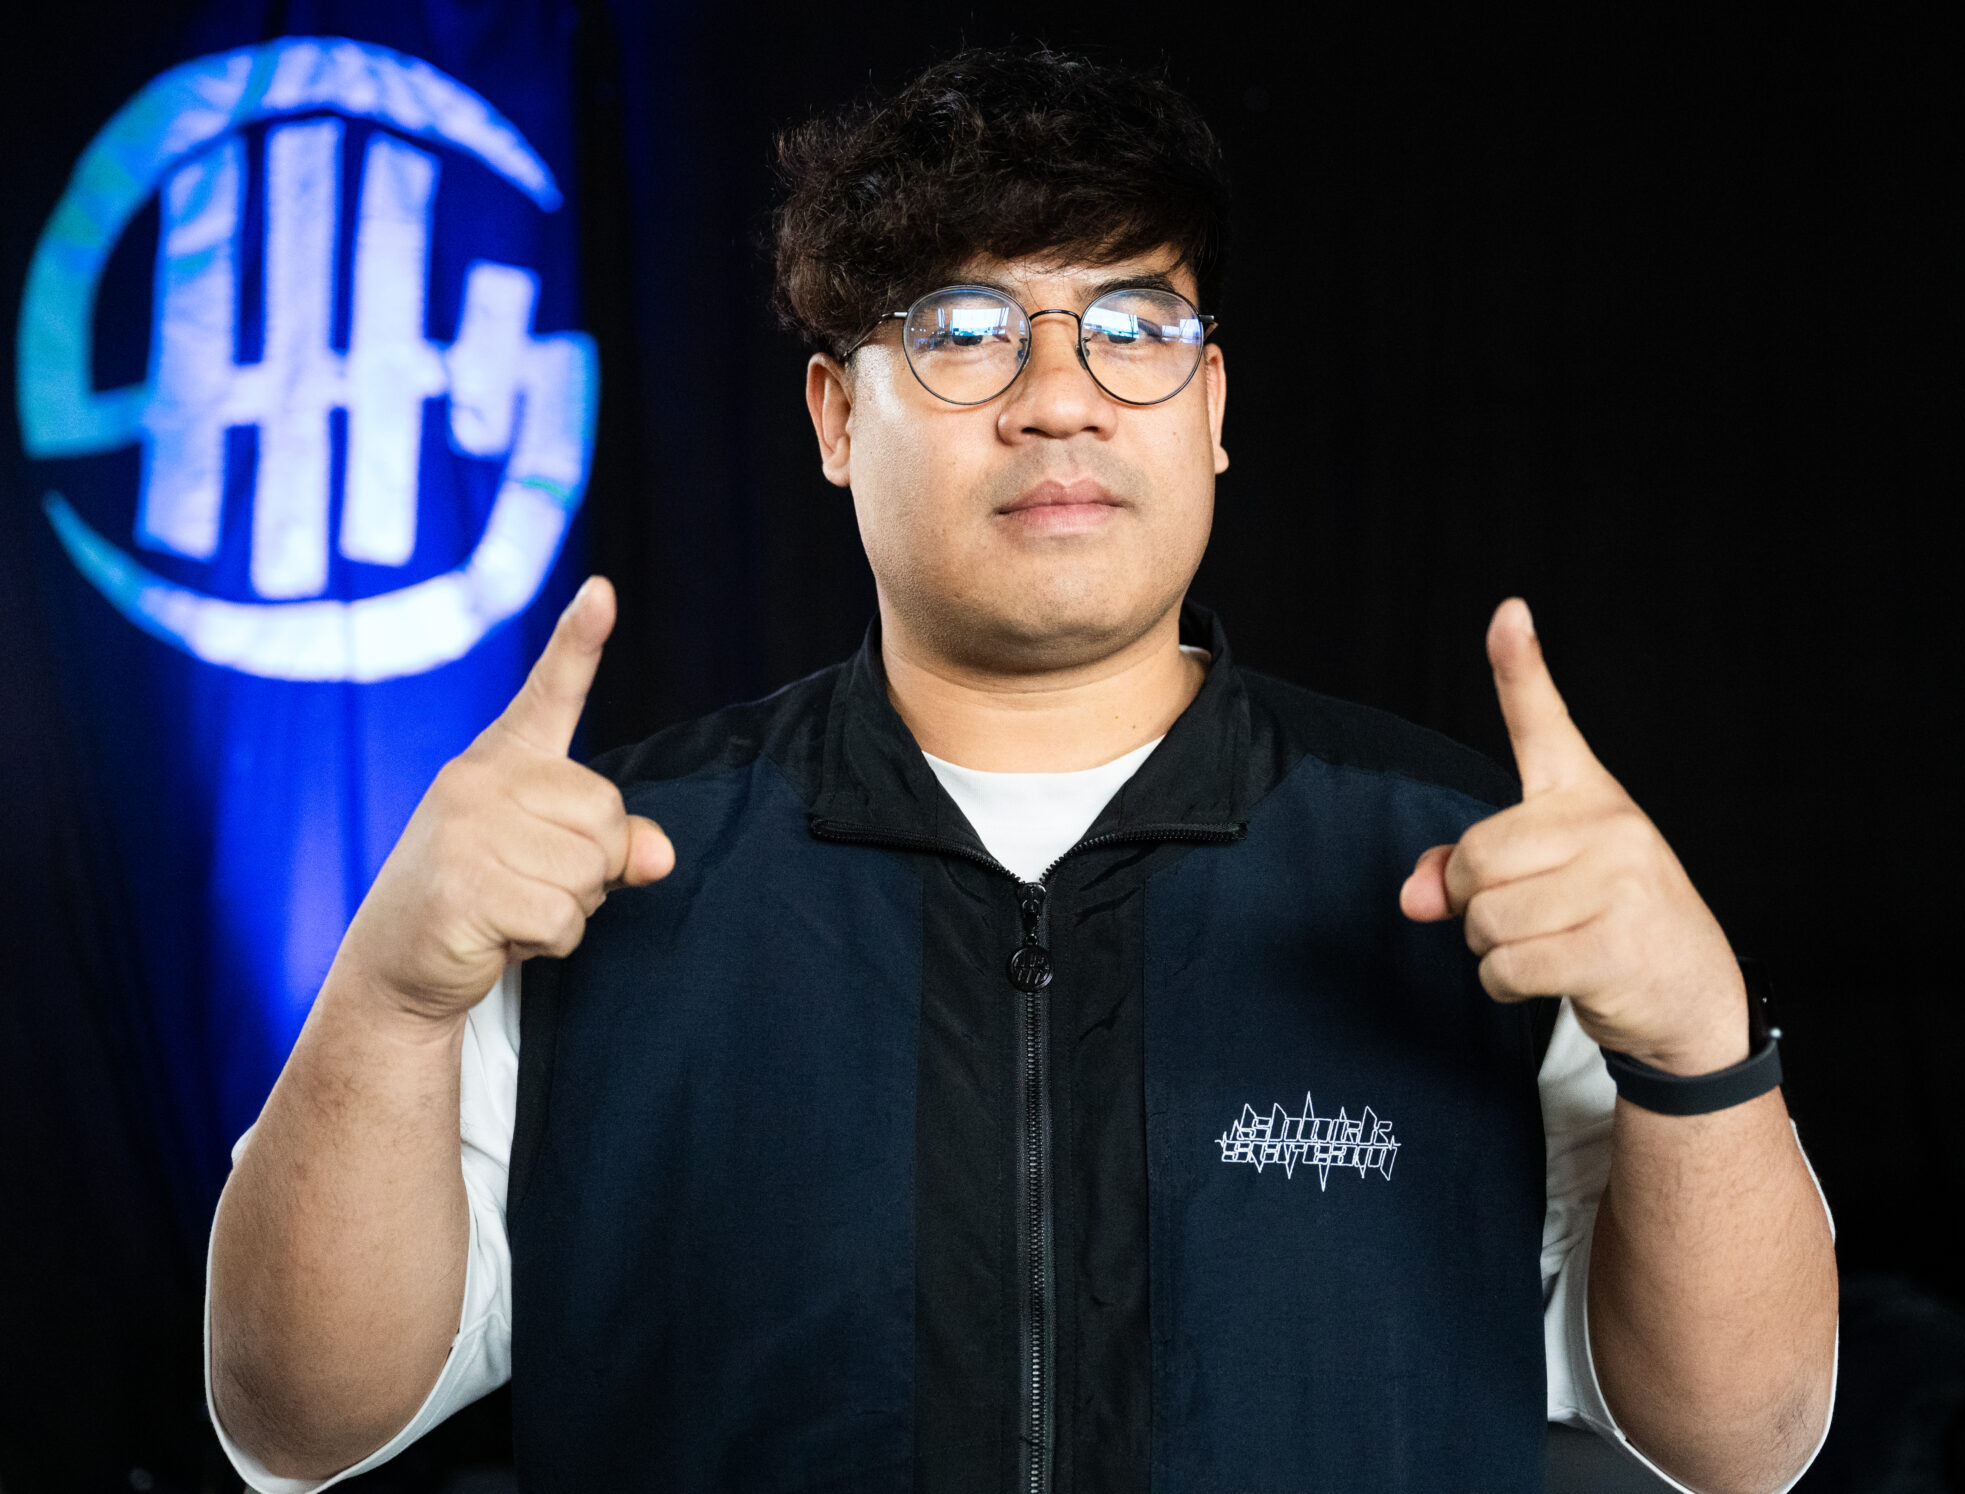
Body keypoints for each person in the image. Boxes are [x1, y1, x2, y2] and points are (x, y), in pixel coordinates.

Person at [206, 46, 1838, 1494]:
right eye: (965, 331)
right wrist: (392, 998)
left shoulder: (1482, 875)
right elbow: (294, 1420)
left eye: (1133, 324)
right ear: (838, 415)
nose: (1058, 396)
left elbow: (1739, 1442)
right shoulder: (591, 879)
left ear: (1210, 406)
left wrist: (1700, 1041)